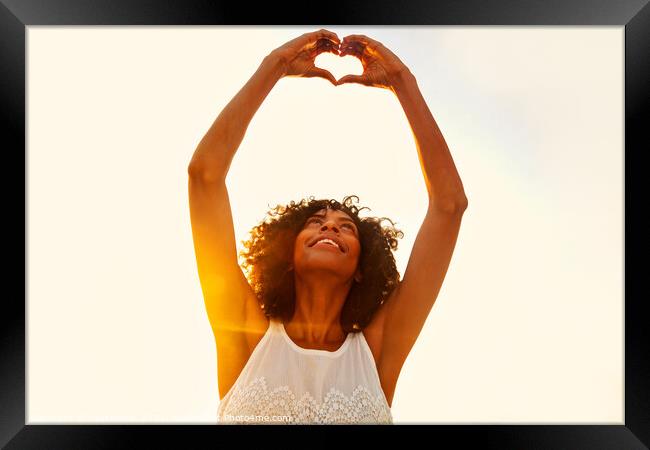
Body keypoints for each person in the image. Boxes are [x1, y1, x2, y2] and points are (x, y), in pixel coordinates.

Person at [187, 29, 468, 424]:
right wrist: (275, 66)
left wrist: (402, 82)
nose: (330, 228)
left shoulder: (375, 353)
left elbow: (450, 206)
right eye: (316, 223)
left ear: (361, 270)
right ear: (287, 254)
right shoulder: (246, 333)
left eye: (346, 227)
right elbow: (204, 177)